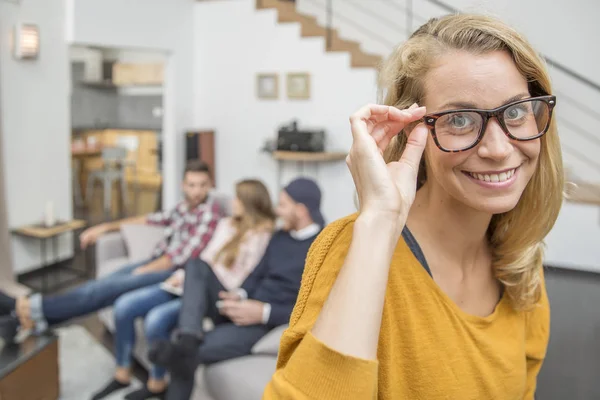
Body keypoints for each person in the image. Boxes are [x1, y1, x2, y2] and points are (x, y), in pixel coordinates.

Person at [263, 14, 562, 400]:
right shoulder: (356, 248)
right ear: (411, 131)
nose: (499, 148)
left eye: (517, 111)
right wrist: (380, 221)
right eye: (459, 119)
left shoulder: (522, 265)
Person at [91, 179, 276, 400]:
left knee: (157, 318)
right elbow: (207, 256)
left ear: (249, 203)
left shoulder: (262, 235)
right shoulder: (226, 224)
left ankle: (173, 361)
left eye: (237, 198)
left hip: (222, 293)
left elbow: (247, 277)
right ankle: (141, 377)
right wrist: (182, 277)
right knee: (128, 306)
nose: (232, 202)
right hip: (195, 282)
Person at [151, 177, 325, 400]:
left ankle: (184, 346)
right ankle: (188, 336)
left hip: (264, 324)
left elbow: (315, 309)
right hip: (243, 306)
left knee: (185, 354)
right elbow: (257, 274)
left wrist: (263, 312)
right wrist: (239, 294)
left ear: (301, 211)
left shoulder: (323, 247)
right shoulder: (281, 236)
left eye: (282, 205)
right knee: (196, 266)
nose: (276, 211)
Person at [14, 160, 225, 335]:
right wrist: (106, 227)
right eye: (192, 185)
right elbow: (149, 219)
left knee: (102, 291)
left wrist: (142, 271)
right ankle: (40, 319)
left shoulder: (209, 213)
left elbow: (180, 258)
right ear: (183, 185)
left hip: (172, 272)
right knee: (98, 285)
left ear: (210, 185)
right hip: (156, 260)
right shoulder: (183, 207)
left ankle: (35, 308)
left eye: (202, 185)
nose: (197, 191)